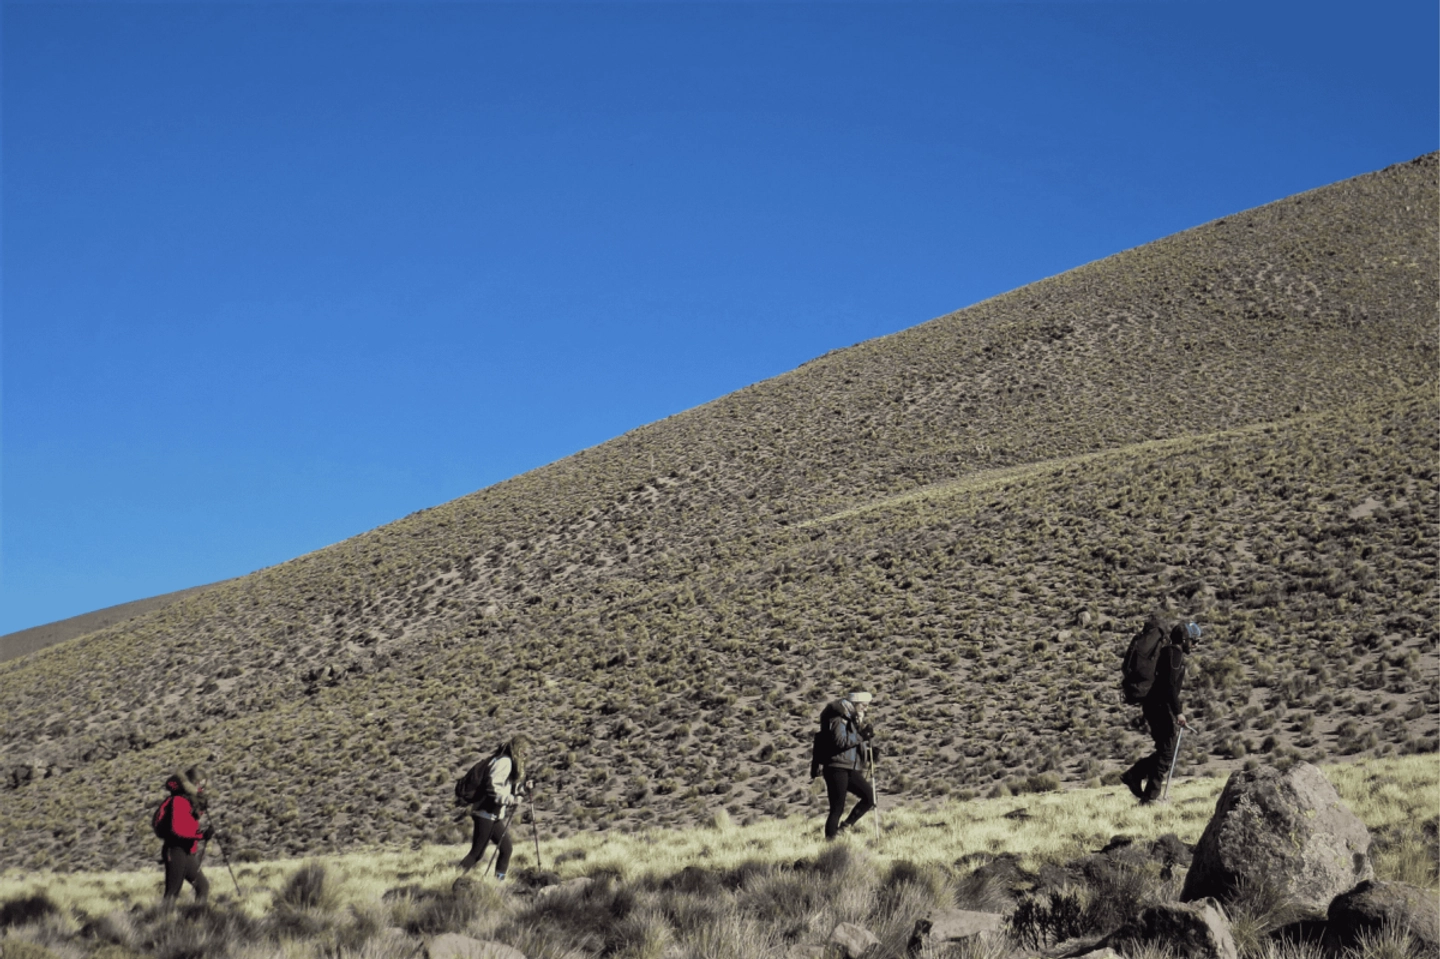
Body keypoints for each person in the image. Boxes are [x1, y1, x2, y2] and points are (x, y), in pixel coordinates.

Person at [1122, 621, 1201, 804]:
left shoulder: (1168, 652)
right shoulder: (1175, 654)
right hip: (1159, 707)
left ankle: (1138, 779)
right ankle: (1148, 795)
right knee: (1166, 753)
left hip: (1155, 706)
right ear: (1184, 639)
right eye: (1194, 641)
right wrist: (1178, 712)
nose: (1196, 645)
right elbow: (1169, 686)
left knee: (1165, 751)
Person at [457, 735, 534, 879]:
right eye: (525, 752)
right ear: (519, 750)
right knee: (476, 854)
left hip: (492, 814)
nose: (526, 756)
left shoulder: (506, 761)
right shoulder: (505, 762)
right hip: (485, 812)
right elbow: (493, 787)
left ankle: (498, 883)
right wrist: (510, 800)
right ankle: (452, 878)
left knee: (506, 849)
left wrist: (523, 789)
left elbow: (507, 787)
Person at [815, 691, 877, 839]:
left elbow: (852, 743)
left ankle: (845, 827)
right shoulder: (837, 717)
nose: (866, 708)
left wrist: (870, 751)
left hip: (848, 766)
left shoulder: (850, 717)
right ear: (854, 703)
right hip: (836, 767)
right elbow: (840, 742)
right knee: (837, 808)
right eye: (864, 705)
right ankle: (831, 842)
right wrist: (861, 736)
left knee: (870, 797)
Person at [155, 766, 211, 902]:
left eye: (204, 784)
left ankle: (199, 914)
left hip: (186, 851)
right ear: (193, 783)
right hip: (175, 850)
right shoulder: (179, 800)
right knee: (172, 892)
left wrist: (200, 810)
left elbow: (188, 823)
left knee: (203, 886)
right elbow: (178, 829)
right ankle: (164, 915)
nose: (202, 788)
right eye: (200, 784)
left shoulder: (189, 801)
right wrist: (201, 835)